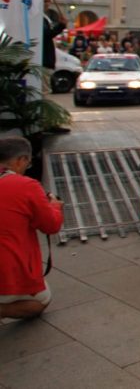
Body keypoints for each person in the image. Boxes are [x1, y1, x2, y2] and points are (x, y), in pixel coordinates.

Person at [0, 137, 64, 320]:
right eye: (27, 163)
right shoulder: (26, 186)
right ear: (21, 160)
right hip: (7, 268)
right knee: (40, 301)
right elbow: (51, 226)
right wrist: (54, 206)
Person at [41, 0, 66, 72]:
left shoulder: (44, 17)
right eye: (45, 1)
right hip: (44, 61)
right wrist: (61, 25)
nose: (48, 4)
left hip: (46, 61)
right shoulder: (39, 17)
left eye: (49, 1)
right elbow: (47, 34)